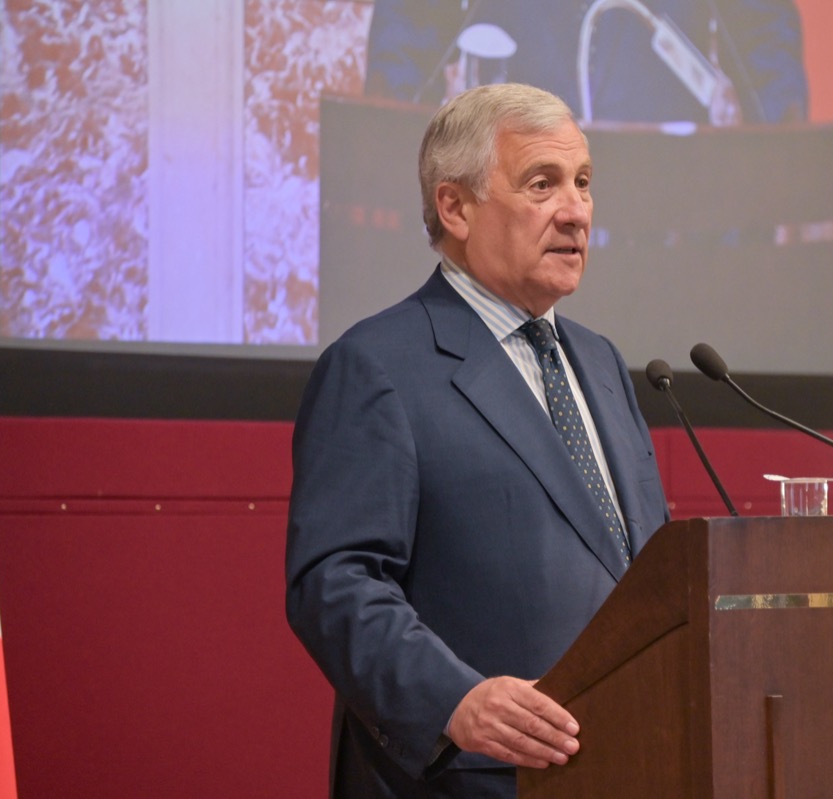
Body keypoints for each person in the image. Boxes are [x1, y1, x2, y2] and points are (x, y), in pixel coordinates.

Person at [285, 82, 670, 797]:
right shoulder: (377, 366)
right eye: (542, 184)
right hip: (471, 778)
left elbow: (638, 566)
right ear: (455, 207)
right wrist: (452, 700)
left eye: (583, 182)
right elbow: (334, 583)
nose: (576, 211)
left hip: (625, 765)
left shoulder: (602, 363)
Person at [364, 0, 809, 126]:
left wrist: (783, 147)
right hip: (512, 174)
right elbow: (411, 23)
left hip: (664, 191)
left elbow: (763, 35)